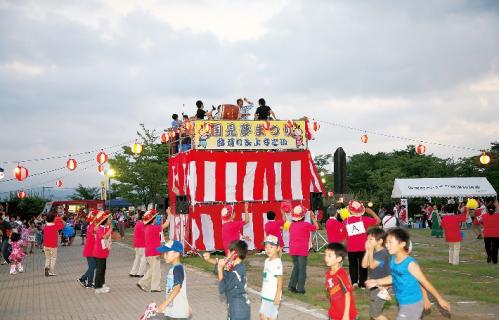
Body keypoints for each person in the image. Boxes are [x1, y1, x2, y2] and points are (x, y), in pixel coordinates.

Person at [366, 228, 450, 320]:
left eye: (390, 242)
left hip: (412, 303)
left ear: (402, 244)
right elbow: (394, 277)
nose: (387, 245)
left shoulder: (410, 264)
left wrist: (439, 299)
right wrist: (377, 281)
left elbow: (424, 282)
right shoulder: (393, 260)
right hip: (402, 301)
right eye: (386, 242)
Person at [203, 240, 251, 320]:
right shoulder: (236, 266)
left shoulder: (236, 271)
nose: (227, 254)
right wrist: (208, 259)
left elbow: (222, 287)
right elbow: (222, 265)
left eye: (228, 252)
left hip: (238, 310)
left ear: (234, 254)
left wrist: (220, 268)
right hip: (236, 307)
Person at [343, 200, 381, 289]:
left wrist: (344, 247)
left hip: (351, 247)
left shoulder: (345, 221)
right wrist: (371, 212)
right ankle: (362, 284)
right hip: (363, 247)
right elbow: (378, 220)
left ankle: (354, 282)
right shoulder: (364, 220)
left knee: (352, 265)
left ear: (349, 210)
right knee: (363, 266)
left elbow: (345, 237)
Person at [154, 240, 190, 319]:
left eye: (167, 253)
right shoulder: (174, 269)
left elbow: (177, 289)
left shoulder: (178, 269)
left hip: (178, 313)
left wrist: (164, 304)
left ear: (176, 254)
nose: (164, 256)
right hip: (173, 311)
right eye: (164, 253)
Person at [288, 205, 319, 294]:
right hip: (301, 250)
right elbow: (316, 227)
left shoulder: (291, 225)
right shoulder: (305, 224)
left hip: (293, 249)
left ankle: (291, 286)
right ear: (303, 216)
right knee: (302, 269)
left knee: (296, 267)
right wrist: (313, 218)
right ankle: (300, 288)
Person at [138, 208, 170, 292]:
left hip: (150, 252)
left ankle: (142, 283)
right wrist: (169, 215)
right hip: (154, 252)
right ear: (152, 219)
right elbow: (166, 225)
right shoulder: (153, 228)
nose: (156, 219)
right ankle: (155, 287)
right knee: (156, 270)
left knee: (153, 269)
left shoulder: (147, 227)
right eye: (155, 217)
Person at [361, 227, 391, 320]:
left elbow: (372, 265)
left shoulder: (383, 253)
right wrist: (367, 251)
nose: (368, 241)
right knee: (374, 311)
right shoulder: (373, 251)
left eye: (371, 239)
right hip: (375, 286)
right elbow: (364, 265)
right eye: (367, 239)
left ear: (380, 241)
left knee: (375, 314)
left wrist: (370, 251)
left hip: (383, 286)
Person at [324, 242, 358, 320]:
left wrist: (346, 315)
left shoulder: (341, 274)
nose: (326, 258)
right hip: (334, 313)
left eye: (329, 256)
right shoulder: (328, 273)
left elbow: (347, 294)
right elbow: (331, 293)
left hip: (346, 314)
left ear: (339, 259)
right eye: (325, 255)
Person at [259, 235, 283, 320]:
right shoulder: (267, 261)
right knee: (265, 317)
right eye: (266, 247)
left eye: (271, 247)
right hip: (266, 294)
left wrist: (277, 295)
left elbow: (280, 280)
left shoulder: (277, 262)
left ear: (278, 248)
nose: (268, 249)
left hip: (272, 296)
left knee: (266, 317)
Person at [93, 210, 112, 294]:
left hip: (103, 252)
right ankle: (97, 287)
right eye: (108, 219)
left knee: (103, 269)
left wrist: (109, 228)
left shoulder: (105, 228)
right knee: (99, 270)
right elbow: (104, 236)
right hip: (98, 252)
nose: (110, 220)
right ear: (104, 221)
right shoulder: (99, 229)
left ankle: (102, 285)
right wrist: (111, 229)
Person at [78, 210, 98, 288]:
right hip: (90, 250)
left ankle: (89, 282)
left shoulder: (94, 226)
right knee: (93, 266)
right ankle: (83, 279)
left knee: (92, 266)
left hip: (93, 250)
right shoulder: (92, 226)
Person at [43, 212, 64, 276]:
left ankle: (46, 267)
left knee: (47, 258)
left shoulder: (46, 225)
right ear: (53, 218)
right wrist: (60, 219)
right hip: (53, 245)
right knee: (53, 258)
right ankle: (52, 271)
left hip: (45, 245)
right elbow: (63, 225)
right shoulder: (55, 226)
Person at [130, 210, 147, 277]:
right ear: (142, 216)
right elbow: (145, 232)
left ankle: (133, 272)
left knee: (137, 258)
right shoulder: (142, 224)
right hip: (142, 244)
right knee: (143, 258)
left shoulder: (138, 223)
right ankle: (140, 272)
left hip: (137, 244)